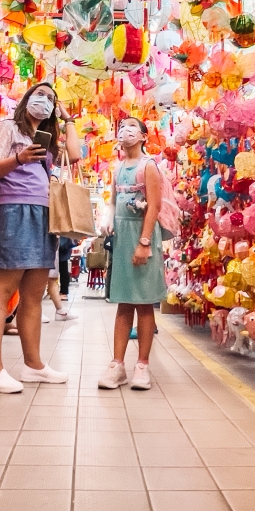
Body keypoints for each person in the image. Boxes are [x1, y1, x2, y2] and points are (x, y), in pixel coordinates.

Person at [0, 82, 81, 393]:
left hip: (43, 214)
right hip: (12, 211)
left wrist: (68, 120)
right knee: (1, 290)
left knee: (33, 295)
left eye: (51, 98)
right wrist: (19, 159)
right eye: (40, 94)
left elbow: (75, 155)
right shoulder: (8, 128)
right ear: (26, 99)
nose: (45, 100)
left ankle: (33, 364)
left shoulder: (48, 142)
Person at [98, 117, 166, 391]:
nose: (124, 130)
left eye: (130, 127)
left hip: (142, 236)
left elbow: (154, 207)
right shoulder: (117, 168)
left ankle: (142, 365)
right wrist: (108, 217)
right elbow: (113, 201)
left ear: (143, 137)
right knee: (124, 302)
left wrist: (145, 242)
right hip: (123, 237)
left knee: (144, 302)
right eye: (121, 126)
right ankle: (117, 365)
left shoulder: (148, 166)